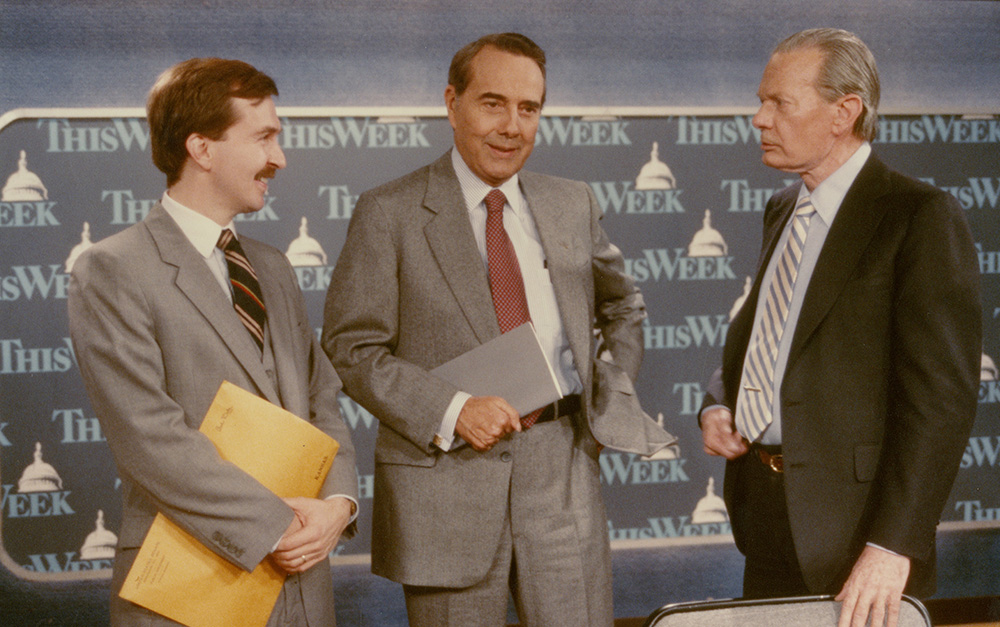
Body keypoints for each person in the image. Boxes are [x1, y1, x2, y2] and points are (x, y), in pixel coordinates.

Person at [322, 32, 672, 627]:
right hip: (445, 486)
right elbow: (352, 348)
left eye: (529, 108)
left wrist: (606, 397)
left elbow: (623, 307)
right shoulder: (389, 212)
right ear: (452, 103)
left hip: (562, 479)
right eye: (493, 103)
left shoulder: (572, 203)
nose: (512, 125)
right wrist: (453, 408)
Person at [699, 28, 981, 627]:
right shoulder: (782, 209)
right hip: (767, 519)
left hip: (860, 539)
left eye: (780, 102)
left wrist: (893, 545)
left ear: (843, 112)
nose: (759, 118)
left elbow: (941, 403)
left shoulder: (919, 216)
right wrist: (722, 401)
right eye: (761, 100)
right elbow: (761, 337)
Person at [68, 58, 358, 626]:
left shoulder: (273, 268)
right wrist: (275, 524)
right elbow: (150, 438)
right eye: (265, 137)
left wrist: (336, 507)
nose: (280, 157)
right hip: (187, 589)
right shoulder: (112, 268)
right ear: (201, 149)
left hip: (302, 588)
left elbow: (324, 400)